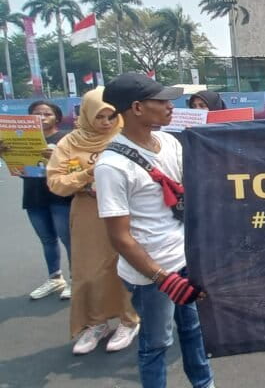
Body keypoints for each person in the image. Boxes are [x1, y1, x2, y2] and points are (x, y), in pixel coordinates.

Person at [95, 73, 215, 388]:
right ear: (136, 107)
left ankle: (204, 384)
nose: (169, 106)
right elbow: (119, 237)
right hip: (150, 277)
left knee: (193, 332)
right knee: (156, 344)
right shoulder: (111, 166)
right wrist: (163, 278)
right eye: (161, 101)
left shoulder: (170, 143)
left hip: (184, 258)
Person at [47, 87, 140, 355]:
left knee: (125, 267)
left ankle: (129, 319)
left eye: (111, 116)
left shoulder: (128, 137)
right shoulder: (70, 143)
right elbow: (56, 182)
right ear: (87, 115)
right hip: (88, 214)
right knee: (88, 272)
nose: (106, 123)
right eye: (100, 117)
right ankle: (95, 323)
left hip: (125, 211)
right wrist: (88, 175)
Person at [0, 101, 72, 300]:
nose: (41, 117)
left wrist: (58, 157)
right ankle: (55, 277)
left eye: (46, 113)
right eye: (36, 114)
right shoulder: (17, 139)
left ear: (56, 117)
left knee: (69, 240)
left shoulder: (67, 138)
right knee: (47, 240)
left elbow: (77, 166)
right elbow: (18, 169)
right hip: (34, 195)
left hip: (61, 196)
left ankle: (77, 279)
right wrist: (6, 153)